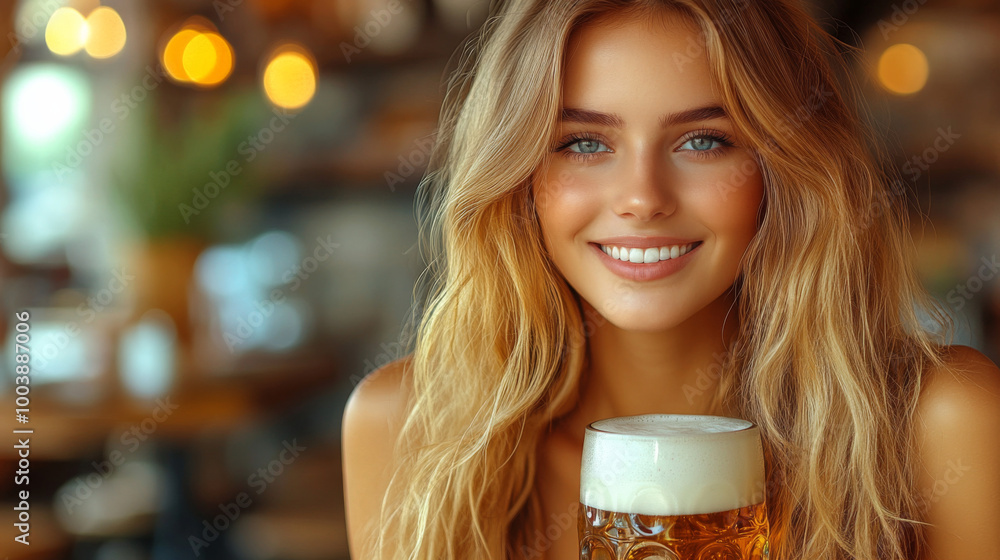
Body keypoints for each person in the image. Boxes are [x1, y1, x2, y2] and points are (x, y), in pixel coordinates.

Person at [341, 0, 1000, 558]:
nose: (643, 198)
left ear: (785, 170)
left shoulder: (942, 423)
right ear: (520, 178)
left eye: (703, 140)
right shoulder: (404, 428)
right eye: (584, 143)